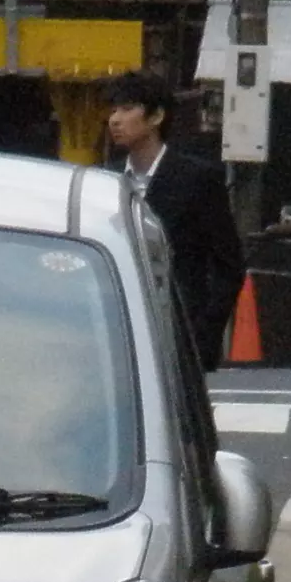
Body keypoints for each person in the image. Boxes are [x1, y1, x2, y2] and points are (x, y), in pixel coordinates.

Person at [102, 70, 245, 374]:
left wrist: (203, 333)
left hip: (178, 331)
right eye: (113, 110)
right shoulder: (105, 179)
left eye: (127, 109)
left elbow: (228, 265)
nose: (115, 119)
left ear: (156, 117)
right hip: (117, 329)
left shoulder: (197, 178)